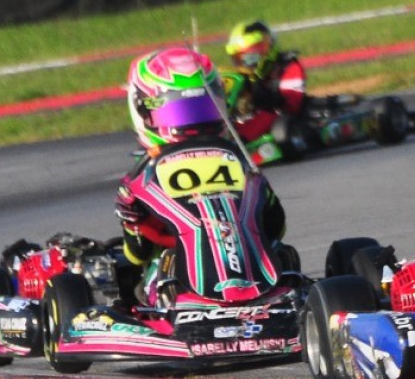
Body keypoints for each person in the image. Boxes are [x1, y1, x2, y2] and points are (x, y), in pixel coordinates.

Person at [116, 46, 290, 308]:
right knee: (161, 265)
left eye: (202, 109)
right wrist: (135, 219)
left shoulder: (239, 165)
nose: (193, 123)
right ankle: (179, 299)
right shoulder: (145, 179)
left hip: (253, 266)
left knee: (282, 255)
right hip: (178, 275)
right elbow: (139, 255)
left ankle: (256, 283)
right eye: (179, 111)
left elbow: (275, 229)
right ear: (144, 111)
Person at [220, 19, 309, 165]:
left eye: (250, 57)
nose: (246, 63)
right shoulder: (242, 77)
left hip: (281, 116)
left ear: (266, 50)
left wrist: (264, 96)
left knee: (267, 116)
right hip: (246, 118)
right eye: (240, 58)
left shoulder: (288, 66)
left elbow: (293, 105)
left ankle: (238, 142)